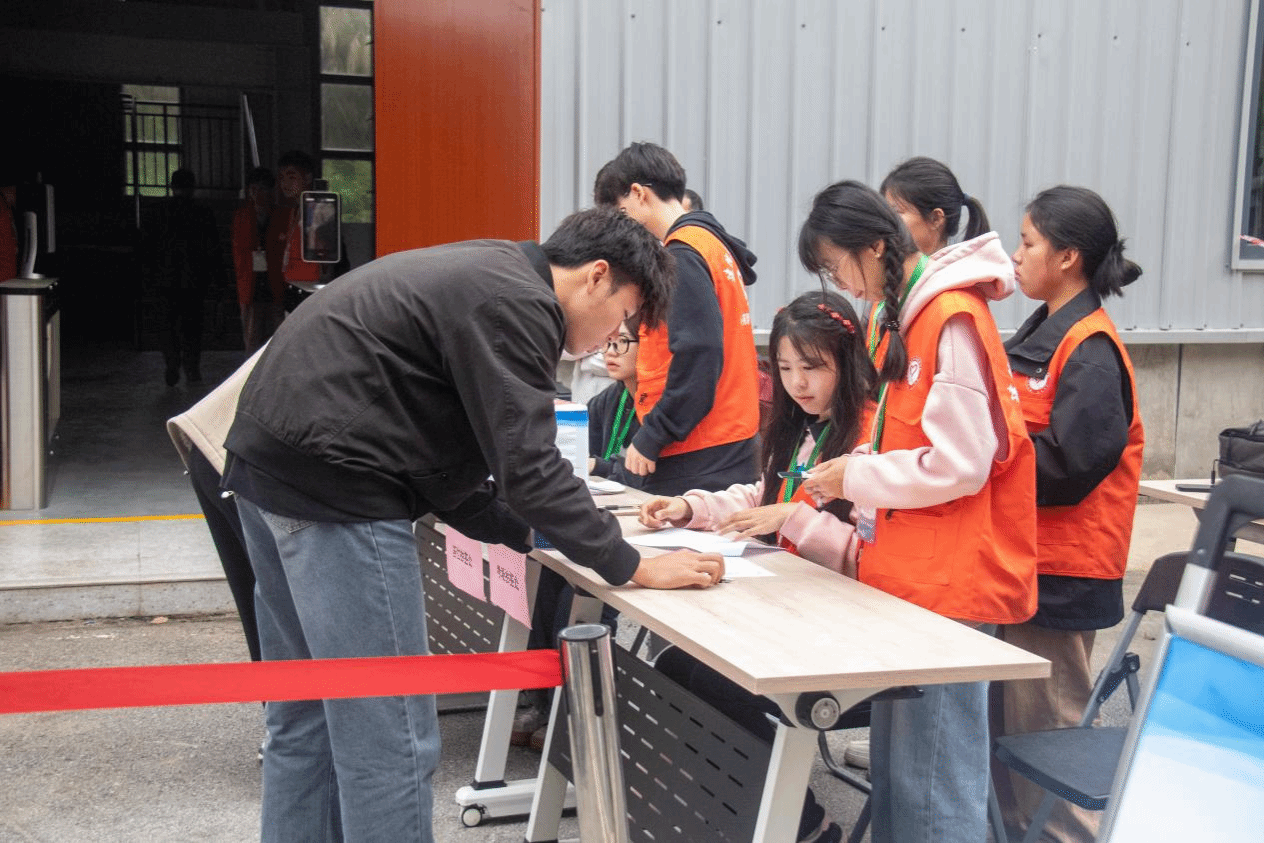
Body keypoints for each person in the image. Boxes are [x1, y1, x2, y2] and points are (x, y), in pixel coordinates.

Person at [220, 207, 726, 842]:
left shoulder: (490, 271)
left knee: (306, 721)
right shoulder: (520, 303)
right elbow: (530, 470)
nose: (610, 339)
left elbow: (450, 472)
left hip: (268, 477)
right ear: (597, 276)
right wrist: (631, 563)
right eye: (623, 316)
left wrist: (533, 534)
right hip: (338, 495)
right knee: (390, 738)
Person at [798, 180, 1038, 843]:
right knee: (904, 777)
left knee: (933, 782)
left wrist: (858, 475)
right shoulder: (905, 315)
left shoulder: (947, 316)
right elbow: (907, 441)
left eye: (838, 266)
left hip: (947, 583)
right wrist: (856, 470)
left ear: (875, 246)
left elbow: (962, 460)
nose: (843, 284)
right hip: (912, 576)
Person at [994, 185, 1144, 843]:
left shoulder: (1090, 348)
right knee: (1009, 739)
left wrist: (985, 463)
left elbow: (1071, 464)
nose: (1016, 254)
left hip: (1063, 574)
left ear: (1068, 256)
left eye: (1028, 242)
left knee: (1048, 736)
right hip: (1022, 563)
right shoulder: (1042, 330)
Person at [639, 291, 876, 573]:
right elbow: (764, 499)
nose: (797, 382)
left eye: (810, 367)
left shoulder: (872, 441)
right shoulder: (801, 427)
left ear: (848, 362)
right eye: (785, 368)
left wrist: (793, 518)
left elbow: (866, 554)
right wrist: (690, 508)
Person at [594, 142, 761, 495]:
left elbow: (699, 351)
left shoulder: (683, 255)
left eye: (621, 212)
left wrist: (654, 433)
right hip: (725, 437)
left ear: (639, 194)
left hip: (699, 448)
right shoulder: (711, 246)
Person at [154, 168, 221, 385]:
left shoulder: (159, 212)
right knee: (192, 327)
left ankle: (172, 362)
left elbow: (148, 248)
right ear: (193, 187)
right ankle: (191, 368)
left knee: (168, 326)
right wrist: (218, 280)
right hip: (194, 282)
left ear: (172, 187)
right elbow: (213, 250)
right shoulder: (203, 213)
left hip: (165, 281)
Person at [879, 155, 990, 256]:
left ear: (936, 218)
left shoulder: (954, 271)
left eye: (896, 212)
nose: (885, 222)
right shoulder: (916, 268)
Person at [232, 167, 283, 352]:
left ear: (271, 191)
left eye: (262, 189)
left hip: (276, 286)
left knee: (278, 340)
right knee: (252, 340)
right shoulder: (242, 216)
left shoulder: (282, 216)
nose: (257, 194)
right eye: (253, 189)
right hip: (250, 287)